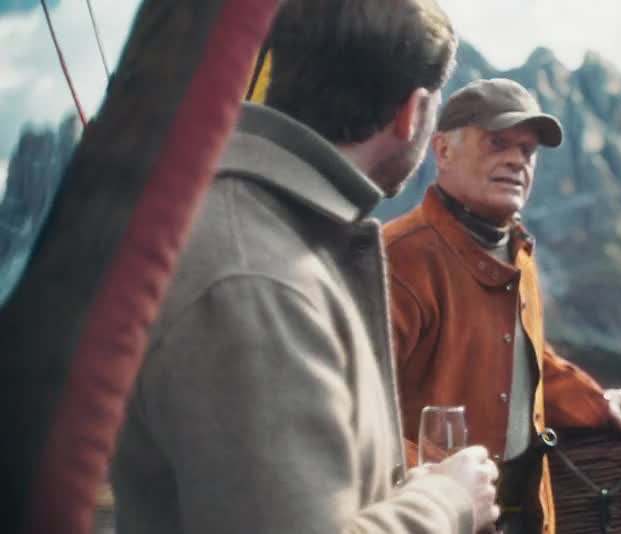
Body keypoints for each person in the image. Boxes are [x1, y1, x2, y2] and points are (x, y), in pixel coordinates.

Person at [110, 1, 502, 533]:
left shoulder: (269, 234)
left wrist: (401, 494)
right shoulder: (257, 281)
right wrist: (447, 502)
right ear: (411, 114)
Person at [383, 78, 621, 534]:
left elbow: (524, 358)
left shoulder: (517, 252)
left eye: (527, 150)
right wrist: (441, 494)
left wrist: (596, 403)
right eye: (497, 143)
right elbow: (356, 416)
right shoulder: (397, 258)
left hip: (525, 514)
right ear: (443, 150)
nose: (517, 160)